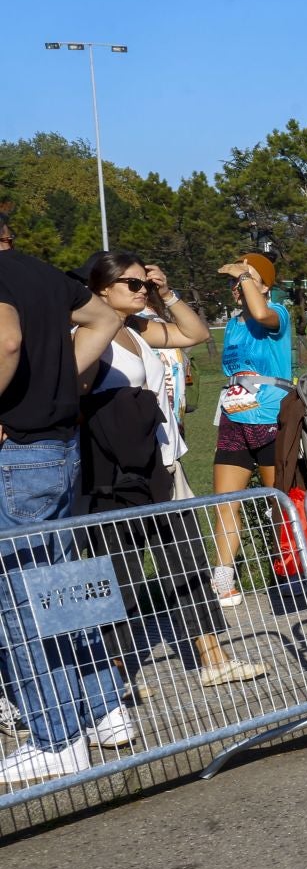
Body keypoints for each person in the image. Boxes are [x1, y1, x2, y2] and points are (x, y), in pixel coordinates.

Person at [81, 250, 265, 693]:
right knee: (119, 573)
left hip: (163, 463)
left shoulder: (137, 329)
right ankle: (113, 676)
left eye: (144, 282)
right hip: (117, 472)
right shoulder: (87, 333)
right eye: (132, 284)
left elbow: (195, 333)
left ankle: (212, 657)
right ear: (101, 289)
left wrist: (167, 292)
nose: (141, 290)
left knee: (185, 561)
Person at [0, 250, 128, 785]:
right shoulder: (40, 271)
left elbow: (7, 341)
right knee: (60, 582)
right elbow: (106, 317)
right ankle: (103, 711)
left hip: (20, 453)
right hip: (57, 446)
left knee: (20, 598)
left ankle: (58, 739)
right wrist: (53, 381)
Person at [208, 253, 293, 609]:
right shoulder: (232, 323)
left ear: (266, 286)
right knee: (225, 503)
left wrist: (242, 272)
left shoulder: (278, 314)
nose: (239, 284)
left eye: (248, 278)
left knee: (281, 503)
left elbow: (261, 314)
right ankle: (223, 579)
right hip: (234, 416)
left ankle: (294, 572)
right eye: (237, 280)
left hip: (272, 417)